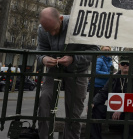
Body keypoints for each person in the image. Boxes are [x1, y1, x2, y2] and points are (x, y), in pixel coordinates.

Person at [36, 7, 98, 139]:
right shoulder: (42, 29)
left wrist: (73, 58)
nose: (52, 34)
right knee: (44, 103)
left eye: (54, 29)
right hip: (54, 69)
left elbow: (94, 51)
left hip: (77, 70)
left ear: (61, 19)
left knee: (74, 112)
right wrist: (43, 59)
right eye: (48, 31)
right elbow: (40, 50)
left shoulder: (80, 25)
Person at [91, 55, 133, 139]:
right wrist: (93, 102)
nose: (125, 65)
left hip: (130, 113)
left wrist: (122, 108)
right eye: (123, 63)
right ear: (119, 65)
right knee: (95, 108)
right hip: (113, 112)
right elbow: (103, 92)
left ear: (132, 66)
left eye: (127, 64)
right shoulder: (114, 78)